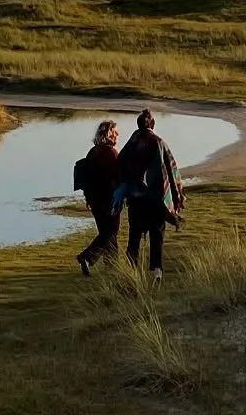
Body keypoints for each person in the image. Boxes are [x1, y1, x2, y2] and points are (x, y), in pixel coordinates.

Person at [115, 107, 184, 283]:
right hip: (156, 199)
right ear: (152, 124)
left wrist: (121, 193)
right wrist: (176, 196)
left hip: (136, 199)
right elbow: (170, 169)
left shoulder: (131, 144)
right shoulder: (158, 142)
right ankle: (157, 272)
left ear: (138, 125)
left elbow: (120, 168)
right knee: (157, 235)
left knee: (134, 237)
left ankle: (131, 272)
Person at [75, 119, 122, 276]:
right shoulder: (111, 154)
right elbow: (118, 177)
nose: (118, 135)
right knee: (109, 232)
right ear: (109, 134)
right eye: (115, 132)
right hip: (109, 200)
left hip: (95, 201)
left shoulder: (93, 152)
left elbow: (87, 179)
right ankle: (87, 257)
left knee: (107, 232)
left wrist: (88, 198)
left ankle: (112, 267)